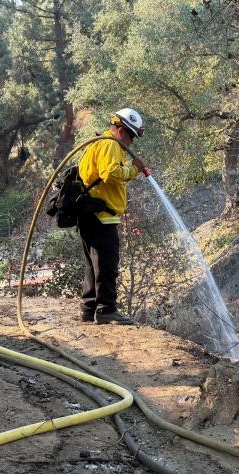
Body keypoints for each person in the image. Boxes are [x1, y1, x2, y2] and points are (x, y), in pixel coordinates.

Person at [78, 108, 146, 325]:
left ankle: (89, 309)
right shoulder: (111, 144)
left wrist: (128, 167)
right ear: (119, 130)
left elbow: (108, 170)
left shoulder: (99, 144)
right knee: (107, 264)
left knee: (93, 264)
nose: (131, 142)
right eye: (130, 135)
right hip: (101, 216)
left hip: (90, 215)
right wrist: (134, 170)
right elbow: (110, 173)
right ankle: (106, 309)